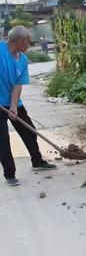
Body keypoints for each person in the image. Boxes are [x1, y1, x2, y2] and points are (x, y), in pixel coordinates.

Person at [0, 26, 56, 186]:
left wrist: (13, 106)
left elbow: (18, 85)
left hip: (13, 102)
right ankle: (9, 175)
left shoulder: (23, 60)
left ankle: (37, 162)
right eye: (27, 41)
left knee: (30, 132)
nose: (29, 45)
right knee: (3, 139)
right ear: (17, 40)